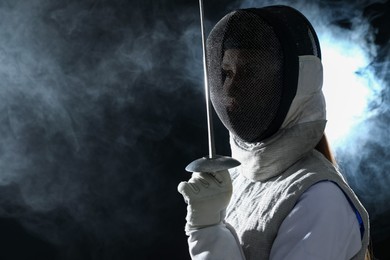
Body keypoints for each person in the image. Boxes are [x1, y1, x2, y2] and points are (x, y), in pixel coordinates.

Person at [177, 5, 371, 260]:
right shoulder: (234, 180)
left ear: (292, 84)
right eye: (226, 73)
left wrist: (208, 231)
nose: (230, 91)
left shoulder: (322, 200)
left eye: (249, 73)